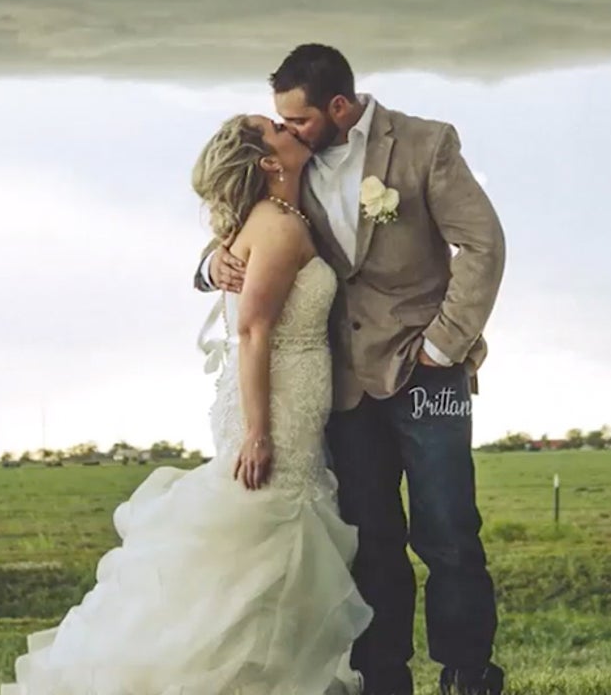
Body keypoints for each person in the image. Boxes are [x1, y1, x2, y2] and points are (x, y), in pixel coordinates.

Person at [1, 113, 373, 694]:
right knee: (256, 559)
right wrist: (257, 432)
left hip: (293, 411)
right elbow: (252, 331)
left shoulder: (280, 217)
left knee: (267, 564)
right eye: (274, 129)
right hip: (272, 412)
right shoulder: (276, 226)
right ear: (269, 163)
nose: (285, 126)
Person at [196, 44, 507, 695]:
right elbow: (247, 221)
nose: (287, 131)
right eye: (280, 123)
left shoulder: (426, 144)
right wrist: (210, 266)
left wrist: (443, 347)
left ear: (338, 107)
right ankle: (382, 678)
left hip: (427, 374)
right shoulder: (294, 164)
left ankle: (466, 673)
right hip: (340, 386)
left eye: (297, 120)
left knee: (448, 530)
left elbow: (481, 242)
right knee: (370, 541)